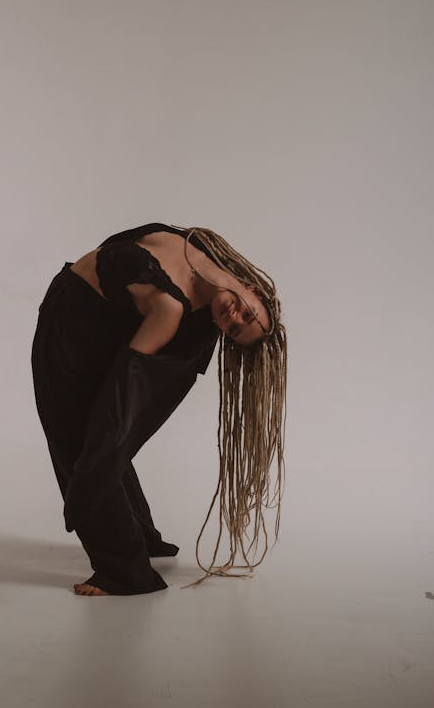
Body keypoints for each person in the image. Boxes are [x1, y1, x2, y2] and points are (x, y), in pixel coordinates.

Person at [31, 222, 287, 596]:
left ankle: (123, 570)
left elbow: (123, 393)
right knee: (89, 439)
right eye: (248, 315)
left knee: (80, 441)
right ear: (254, 291)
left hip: (70, 333)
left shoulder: (169, 310)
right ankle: (140, 536)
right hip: (86, 318)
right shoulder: (203, 244)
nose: (234, 317)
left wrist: (89, 474)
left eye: (234, 329)